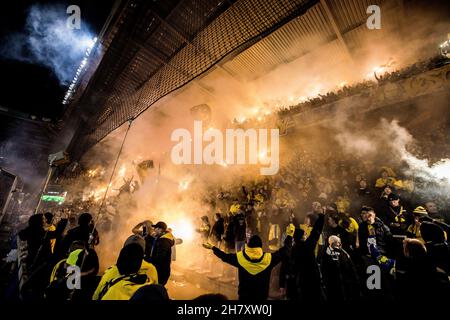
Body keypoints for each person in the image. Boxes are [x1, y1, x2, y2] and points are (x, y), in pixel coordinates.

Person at [204, 228, 293, 300]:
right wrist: (289, 236)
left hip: (244, 297)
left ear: (249, 245)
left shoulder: (240, 258)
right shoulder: (268, 259)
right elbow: (284, 251)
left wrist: (213, 248)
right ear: (260, 246)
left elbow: (225, 256)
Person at [93, 237, 158, 300]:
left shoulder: (112, 272)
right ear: (143, 252)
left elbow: (96, 296)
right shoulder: (151, 269)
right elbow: (154, 290)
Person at [280, 211, 325, 301]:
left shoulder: (292, 250)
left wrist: (282, 284)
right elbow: (316, 232)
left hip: (296, 284)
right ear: (302, 237)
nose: (305, 235)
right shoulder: (308, 246)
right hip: (310, 281)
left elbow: (284, 266)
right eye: (304, 234)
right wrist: (321, 217)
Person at [320, 235, 361, 302]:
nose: (340, 244)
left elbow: (351, 266)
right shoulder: (325, 254)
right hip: (334, 285)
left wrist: (355, 279)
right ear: (332, 243)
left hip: (346, 283)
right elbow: (324, 270)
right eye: (338, 242)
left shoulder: (343, 252)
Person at [144, 221, 175, 285]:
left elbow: (159, 258)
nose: (154, 230)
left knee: (155, 290)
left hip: (160, 272)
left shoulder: (164, 241)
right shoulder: (161, 238)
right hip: (160, 271)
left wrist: (145, 259)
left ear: (160, 229)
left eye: (156, 228)